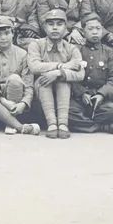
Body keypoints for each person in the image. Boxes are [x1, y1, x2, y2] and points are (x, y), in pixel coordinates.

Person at [27, 8, 85, 139]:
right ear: (44, 27)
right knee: (44, 80)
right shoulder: (36, 45)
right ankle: (52, 124)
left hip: (66, 92)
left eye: (59, 24)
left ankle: (63, 124)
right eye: (50, 24)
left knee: (62, 81)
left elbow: (81, 73)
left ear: (65, 28)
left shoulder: (71, 48)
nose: (55, 28)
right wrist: (61, 66)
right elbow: (34, 67)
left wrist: (59, 73)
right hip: (41, 92)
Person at [0, 15, 39, 135]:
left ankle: (11, 122)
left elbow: (28, 83)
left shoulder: (22, 54)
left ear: (13, 34)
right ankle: (19, 126)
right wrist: (3, 101)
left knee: (15, 79)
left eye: (7, 33)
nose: (3, 37)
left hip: (16, 98)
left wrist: (24, 103)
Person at [68, 16, 113, 134]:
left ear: (102, 30)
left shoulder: (109, 52)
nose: (95, 32)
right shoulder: (75, 50)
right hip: (79, 98)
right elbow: (71, 76)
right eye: (90, 29)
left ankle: (83, 124)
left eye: (98, 28)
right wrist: (82, 93)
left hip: (100, 98)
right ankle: (101, 127)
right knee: (66, 112)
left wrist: (101, 94)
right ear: (83, 32)